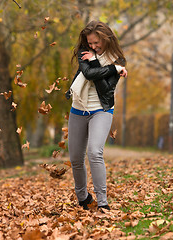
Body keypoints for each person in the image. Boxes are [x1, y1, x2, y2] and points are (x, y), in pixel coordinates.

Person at [66, 20, 127, 210]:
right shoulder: (85, 52)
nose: (92, 46)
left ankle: (102, 202)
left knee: (94, 152)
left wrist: (96, 61)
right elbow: (88, 73)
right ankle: (83, 197)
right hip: (78, 108)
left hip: (101, 110)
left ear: (105, 38)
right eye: (89, 43)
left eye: (95, 43)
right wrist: (112, 69)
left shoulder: (118, 59)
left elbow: (104, 87)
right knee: (76, 157)